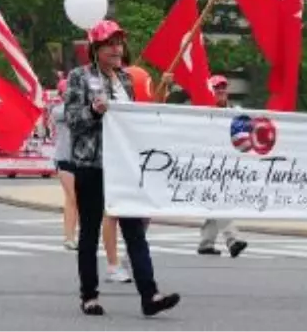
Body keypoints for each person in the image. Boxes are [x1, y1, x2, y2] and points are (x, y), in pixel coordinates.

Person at [64, 19, 180, 318]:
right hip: (91, 165)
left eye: (119, 43)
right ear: (96, 49)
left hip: (122, 167)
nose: (117, 49)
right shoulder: (79, 76)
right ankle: (89, 296)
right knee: (89, 231)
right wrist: (93, 110)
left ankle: (149, 294)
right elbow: (72, 119)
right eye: (110, 44)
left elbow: (133, 121)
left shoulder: (125, 80)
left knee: (135, 232)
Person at [197, 75, 249, 258]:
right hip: (208, 164)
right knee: (219, 201)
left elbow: (245, 136)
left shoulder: (236, 112)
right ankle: (232, 239)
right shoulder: (203, 113)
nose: (220, 91)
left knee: (216, 202)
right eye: (216, 88)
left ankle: (206, 243)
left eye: (223, 87)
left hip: (230, 164)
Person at [50, 87, 78, 250]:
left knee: (80, 200)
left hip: (83, 159)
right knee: (72, 198)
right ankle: (69, 237)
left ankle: (79, 236)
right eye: (66, 93)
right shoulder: (58, 111)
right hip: (64, 158)